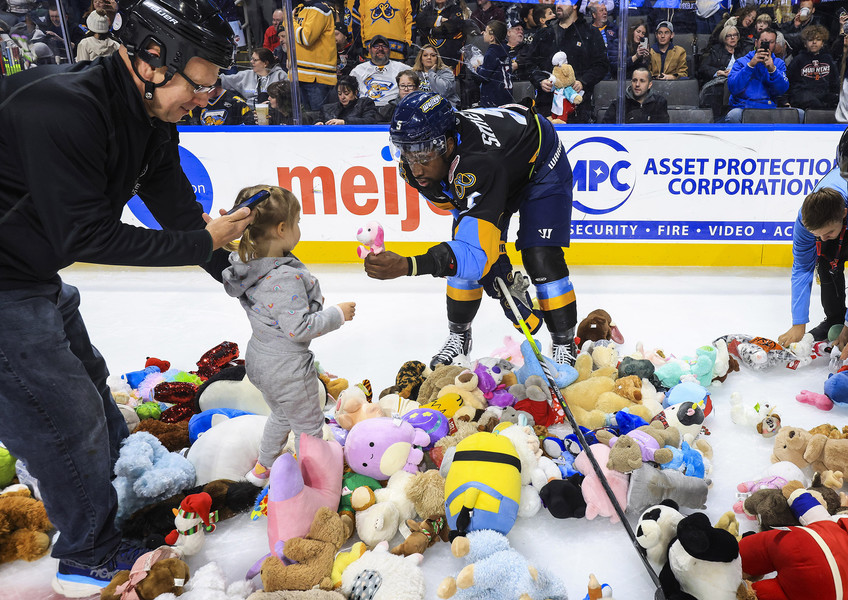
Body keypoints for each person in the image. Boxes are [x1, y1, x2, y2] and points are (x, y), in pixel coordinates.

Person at [0, 0, 250, 597]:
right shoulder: (65, 108)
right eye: (199, 85)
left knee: (88, 381)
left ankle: (119, 487)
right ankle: (88, 551)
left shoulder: (149, 116)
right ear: (151, 58)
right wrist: (199, 240)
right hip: (6, 281)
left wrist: (245, 284)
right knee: (63, 414)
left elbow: (175, 208)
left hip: (30, 272)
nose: (202, 99)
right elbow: (82, 234)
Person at [364, 92, 579, 368]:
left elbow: (475, 253)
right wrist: (496, 264)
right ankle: (459, 337)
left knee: (540, 256)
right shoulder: (413, 166)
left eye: (423, 151)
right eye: (406, 149)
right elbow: (464, 216)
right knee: (460, 257)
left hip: (539, 162)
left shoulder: (479, 163)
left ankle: (564, 343)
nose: (415, 166)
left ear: (449, 143)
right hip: (500, 166)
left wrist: (409, 265)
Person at [222, 185, 355, 486]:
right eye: (297, 222)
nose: (299, 229)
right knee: (309, 428)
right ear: (282, 229)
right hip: (288, 370)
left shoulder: (247, 266)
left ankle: (260, 470)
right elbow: (299, 329)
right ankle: (314, 483)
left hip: (261, 360)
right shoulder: (284, 279)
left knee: (281, 415)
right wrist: (337, 314)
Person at [778, 132, 848, 350]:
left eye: (826, 233)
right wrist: (798, 323)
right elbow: (801, 268)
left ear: (843, 214)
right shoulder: (804, 220)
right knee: (826, 261)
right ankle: (834, 320)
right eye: (817, 234)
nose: (821, 239)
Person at [525, 0, 609, 122]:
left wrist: (583, 81)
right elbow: (529, 63)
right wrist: (540, 80)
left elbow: (602, 65)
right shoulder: (545, 32)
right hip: (546, 106)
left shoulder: (590, 33)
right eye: (557, 1)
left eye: (563, 1)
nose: (558, 5)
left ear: (575, 5)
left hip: (578, 107)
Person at [722, 27, 789, 122]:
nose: (767, 45)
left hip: (769, 108)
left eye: (771, 42)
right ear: (756, 42)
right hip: (743, 108)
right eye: (764, 41)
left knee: (799, 114)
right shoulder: (741, 62)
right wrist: (750, 66)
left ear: (774, 44)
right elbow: (733, 87)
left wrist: (772, 70)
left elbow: (781, 90)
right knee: (734, 115)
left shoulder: (778, 64)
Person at [291, 0, 338, 112]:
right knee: (306, 120)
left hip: (317, 78)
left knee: (319, 121)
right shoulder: (300, 9)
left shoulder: (320, 9)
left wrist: (290, 21)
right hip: (301, 75)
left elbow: (306, 38)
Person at [787, 24, 839, 110]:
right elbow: (789, 81)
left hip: (824, 95)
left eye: (818, 40)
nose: (814, 42)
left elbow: (834, 82)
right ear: (805, 44)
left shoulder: (828, 58)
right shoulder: (798, 59)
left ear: (822, 43)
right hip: (803, 97)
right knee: (813, 102)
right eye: (810, 40)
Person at [350, 34, 408, 107]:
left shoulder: (401, 68)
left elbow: (419, 72)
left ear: (389, 50)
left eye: (384, 46)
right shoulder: (358, 70)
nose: (380, 49)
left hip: (391, 109)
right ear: (370, 50)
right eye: (376, 46)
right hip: (365, 109)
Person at [221, 47, 287, 109]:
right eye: (252, 59)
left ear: (265, 63)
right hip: (250, 112)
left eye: (255, 60)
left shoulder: (280, 75)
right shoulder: (246, 74)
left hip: (273, 112)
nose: (251, 62)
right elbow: (224, 80)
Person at [601, 66, 669, 123]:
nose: (637, 84)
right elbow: (606, 129)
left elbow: (662, 131)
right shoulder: (619, 104)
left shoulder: (659, 103)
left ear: (650, 85)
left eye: (642, 81)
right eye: (634, 80)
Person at [416, 0, 466, 70]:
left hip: (449, 49)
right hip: (429, 45)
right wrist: (440, 19)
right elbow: (420, 21)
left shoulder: (455, 9)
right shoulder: (428, 8)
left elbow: (455, 25)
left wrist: (432, 27)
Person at [183, 77, 254, 125]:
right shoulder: (196, 104)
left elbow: (250, 125)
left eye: (205, 89)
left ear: (214, 88)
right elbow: (190, 125)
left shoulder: (236, 102)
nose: (201, 92)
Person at [475, 19, 513, 107]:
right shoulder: (506, 51)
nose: (483, 33)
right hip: (506, 97)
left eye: (486, 31)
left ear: (492, 37)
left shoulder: (491, 53)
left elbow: (483, 77)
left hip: (493, 99)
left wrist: (478, 68)